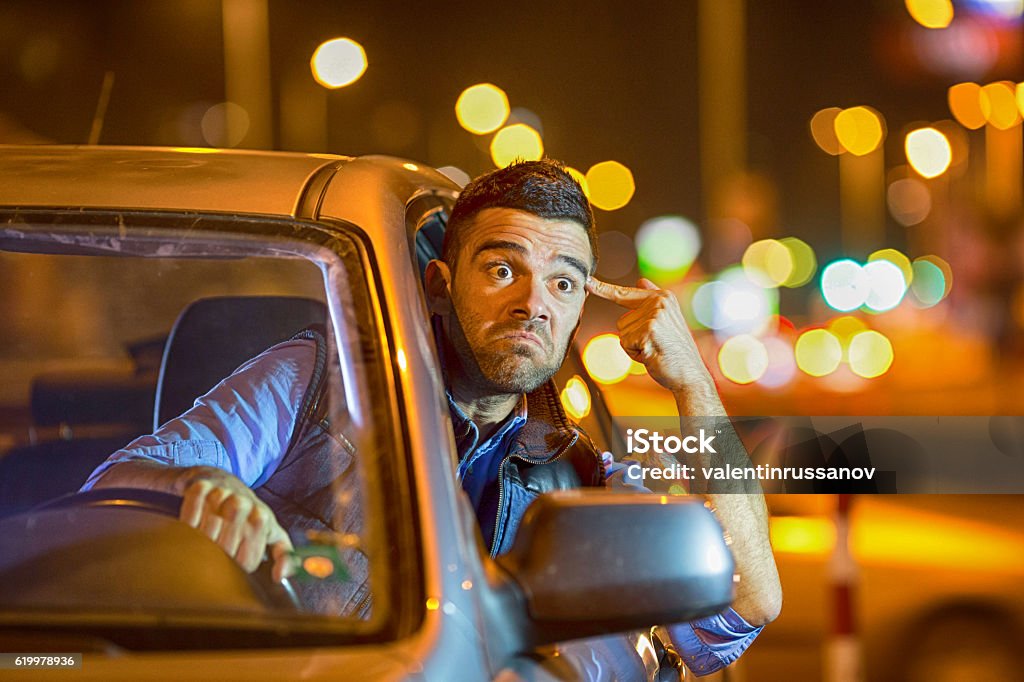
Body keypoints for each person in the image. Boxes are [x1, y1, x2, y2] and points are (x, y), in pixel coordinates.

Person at [83, 159, 781, 675]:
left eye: (563, 283)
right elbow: (123, 480)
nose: (533, 303)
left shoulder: (584, 473)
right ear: (441, 286)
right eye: (503, 270)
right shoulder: (319, 379)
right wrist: (206, 489)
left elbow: (747, 606)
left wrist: (693, 384)